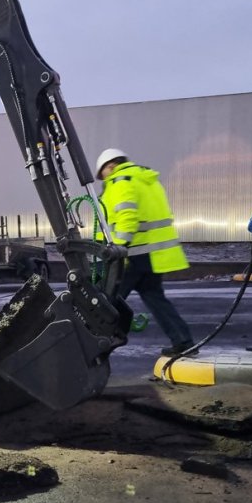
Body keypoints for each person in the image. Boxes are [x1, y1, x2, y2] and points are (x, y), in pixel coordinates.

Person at [95, 148, 197, 357]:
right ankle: (184, 341)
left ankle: (92, 346)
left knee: (106, 301)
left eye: (102, 173)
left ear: (111, 166)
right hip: (151, 255)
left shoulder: (121, 180)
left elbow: (127, 215)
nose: (102, 178)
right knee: (155, 298)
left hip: (131, 255)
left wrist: (118, 247)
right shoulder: (147, 180)